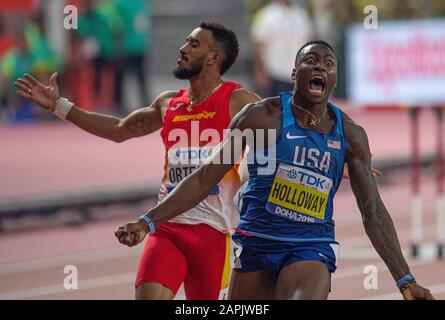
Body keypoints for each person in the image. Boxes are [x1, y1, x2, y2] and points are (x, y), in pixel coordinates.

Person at [114, 40, 434, 300]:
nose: (320, 65)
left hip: (308, 248)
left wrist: (405, 280)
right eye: (311, 61)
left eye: (328, 62)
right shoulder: (261, 118)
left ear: (335, 78)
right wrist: (149, 221)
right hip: (255, 244)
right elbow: (203, 179)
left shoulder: (349, 135)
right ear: (295, 74)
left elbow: (373, 212)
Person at [14, 22, 261, 300]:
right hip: (168, 227)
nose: (182, 49)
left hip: (217, 234)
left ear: (215, 58)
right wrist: (59, 106)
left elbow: (277, 145)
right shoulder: (169, 103)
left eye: (193, 44)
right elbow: (120, 129)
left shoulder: (240, 102)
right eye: (185, 41)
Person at [251, 0, 313, 97]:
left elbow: (306, 44)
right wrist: (260, 72)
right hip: (275, 74)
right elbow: (259, 46)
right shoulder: (267, 15)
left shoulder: (301, 15)